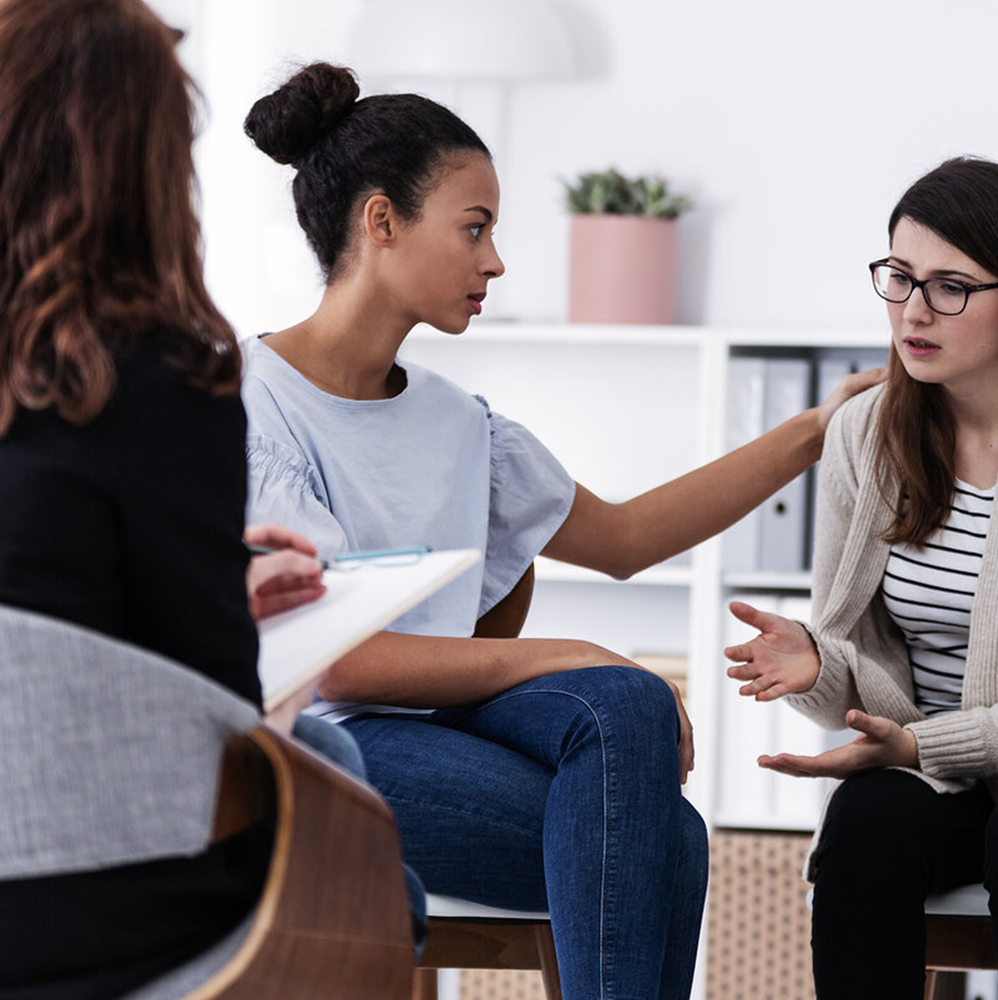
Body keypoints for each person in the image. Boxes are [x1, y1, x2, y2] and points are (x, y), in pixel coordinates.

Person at [238, 63, 881, 1000]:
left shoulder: (463, 426)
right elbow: (338, 665)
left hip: (442, 727)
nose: (495, 260)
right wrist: (568, 652)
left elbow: (624, 539)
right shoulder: (257, 408)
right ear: (381, 223)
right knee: (669, 832)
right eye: (475, 228)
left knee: (635, 715)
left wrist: (814, 431)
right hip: (314, 748)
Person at [0, 1, 345, 996]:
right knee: (347, 797)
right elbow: (220, 721)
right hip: (81, 916)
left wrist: (188, 569)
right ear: (145, 174)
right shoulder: (162, 381)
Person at [721, 156, 998, 1000]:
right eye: (900, 277)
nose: (914, 311)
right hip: (933, 765)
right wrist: (819, 668)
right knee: (866, 822)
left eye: (951, 287)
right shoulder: (860, 435)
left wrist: (924, 743)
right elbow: (857, 662)